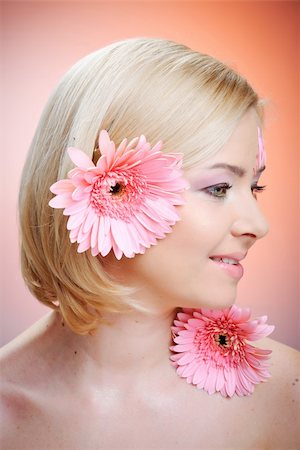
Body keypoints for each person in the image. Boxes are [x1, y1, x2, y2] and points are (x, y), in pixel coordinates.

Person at [0, 37, 299, 450]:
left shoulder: (287, 395)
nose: (257, 225)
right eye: (218, 187)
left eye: (256, 186)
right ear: (106, 188)